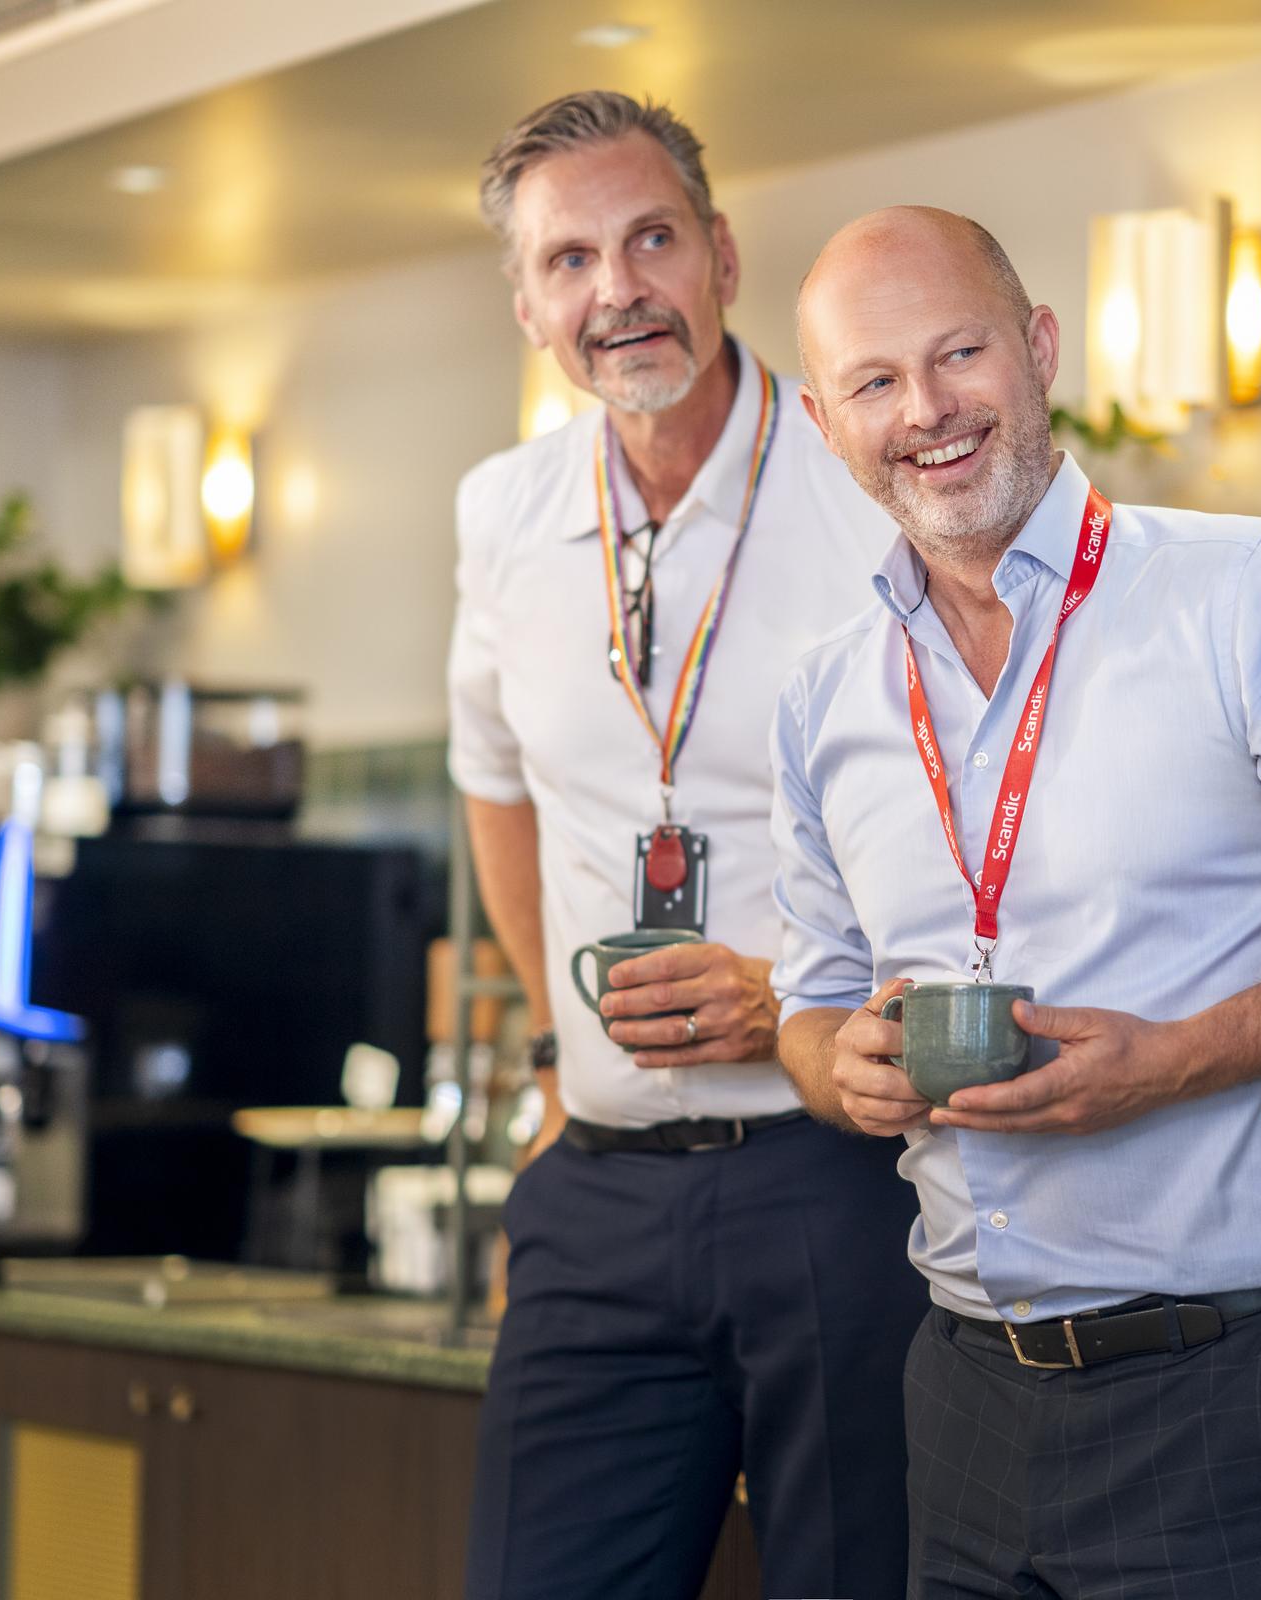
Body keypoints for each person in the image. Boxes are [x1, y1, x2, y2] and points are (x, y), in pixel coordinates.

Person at [771, 206, 1261, 1599]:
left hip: (1223, 1390)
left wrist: (1169, 1061)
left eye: (960, 354)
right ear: (826, 422)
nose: (926, 410)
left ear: (1039, 348)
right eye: (875, 382)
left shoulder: (1242, 590)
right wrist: (840, 1067)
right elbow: (809, 1002)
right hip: (959, 1391)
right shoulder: (826, 698)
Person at [447, 95, 923, 1600]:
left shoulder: (871, 498)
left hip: (836, 1186)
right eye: (570, 260)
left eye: (652, 239)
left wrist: (787, 997)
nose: (618, 291)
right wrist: (547, 1037)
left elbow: (979, 827)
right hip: (596, 1190)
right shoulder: (503, 514)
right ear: (528, 305)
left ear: (721, 256)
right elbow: (494, 785)